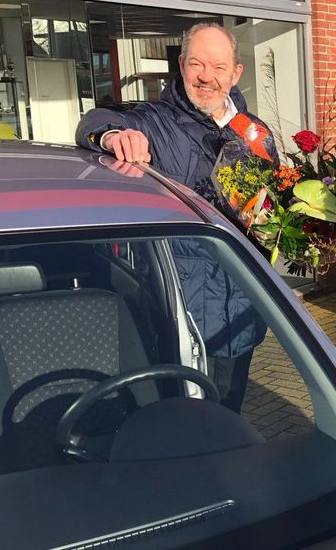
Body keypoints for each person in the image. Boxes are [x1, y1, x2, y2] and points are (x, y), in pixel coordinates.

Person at [76, 22, 276, 413]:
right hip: (184, 313)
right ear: (181, 65)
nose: (206, 77)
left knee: (230, 408)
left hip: (243, 307)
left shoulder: (254, 131)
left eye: (218, 67)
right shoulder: (153, 121)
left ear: (235, 73)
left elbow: (268, 205)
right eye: (197, 64)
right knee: (183, 418)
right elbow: (93, 121)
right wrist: (111, 136)